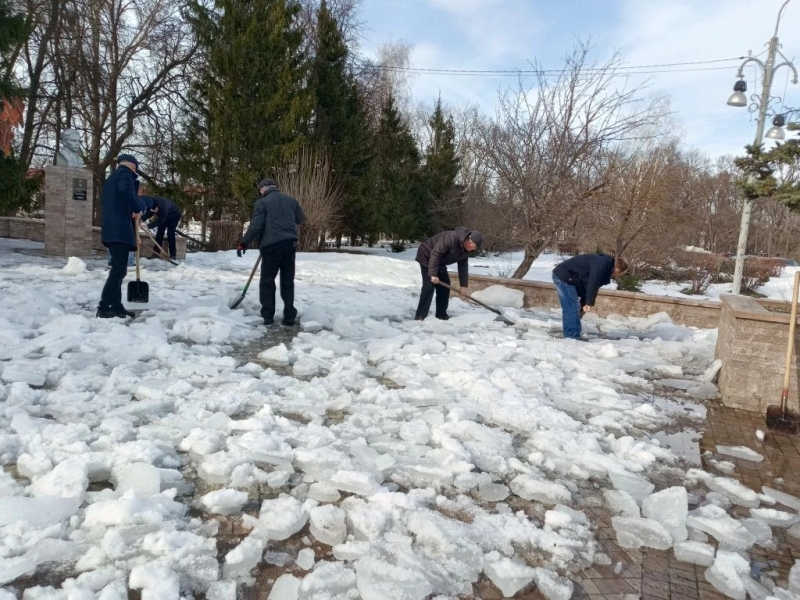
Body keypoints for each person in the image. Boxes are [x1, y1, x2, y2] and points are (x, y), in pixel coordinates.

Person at [237, 179, 306, 326]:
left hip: (271, 247)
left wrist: (244, 243)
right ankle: (289, 316)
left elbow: (256, 226)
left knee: (267, 281)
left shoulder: (262, 203)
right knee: (287, 281)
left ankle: (268, 316)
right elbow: (300, 219)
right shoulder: (291, 200)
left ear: (263, 189)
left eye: (260, 190)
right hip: (289, 245)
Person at [97, 154, 146, 319]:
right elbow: (126, 191)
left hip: (112, 230)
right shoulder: (124, 175)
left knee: (119, 270)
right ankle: (104, 307)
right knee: (118, 271)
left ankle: (116, 306)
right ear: (133, 165)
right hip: (119, 231)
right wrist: (137, 207)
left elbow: (116, 201)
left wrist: (130, 211)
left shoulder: (112, 178)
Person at [552, 253, 628, 340]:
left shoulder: (605, 269)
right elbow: (593, 282)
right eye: (621, 273)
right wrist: (589, 303)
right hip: (564, 276)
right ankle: (571, 336)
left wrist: (585, 304)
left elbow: (589, 286)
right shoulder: (602, 264)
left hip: (568, 278)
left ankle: (573, 334)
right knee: (572, 306)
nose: (618, 276)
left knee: (575, 307)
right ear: (618, 270)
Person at [414, 227, 483, 321]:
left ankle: (441, 315)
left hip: (439, 261)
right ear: (470, 242)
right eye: (474, 247)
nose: (473, 250)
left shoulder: (466, 250)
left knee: (445, 286)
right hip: (427, 255)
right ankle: (420, 316)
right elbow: (436, 253)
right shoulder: (451, 238)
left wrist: (463, 286)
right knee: (429, 286)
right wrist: (433, 274)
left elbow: (463, 266)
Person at [141, 195, 182, 260]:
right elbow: (148, 213)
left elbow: (161, 220)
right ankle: (156, 254)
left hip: (174, 215)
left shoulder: (164, 206)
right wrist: (141, 219)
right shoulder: (151, 203)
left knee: (170, 233)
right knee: (159, 233)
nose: (154, 211)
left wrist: (148, 226)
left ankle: (173, 255)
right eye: (153, 210)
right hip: (164, 215)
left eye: (155, 210)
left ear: (157, 207)